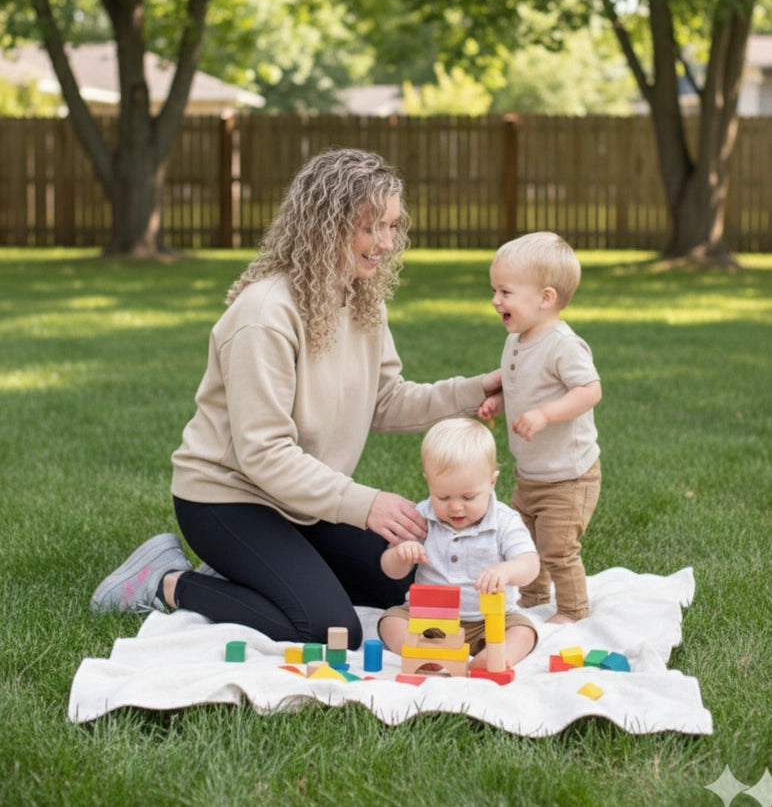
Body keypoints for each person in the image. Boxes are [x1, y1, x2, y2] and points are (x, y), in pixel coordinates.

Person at [90, 148, 503, 649]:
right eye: (372, 227)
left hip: (299, 502)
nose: (387, 243)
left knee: (406, 580)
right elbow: (263, 454)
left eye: (393, 227)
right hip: (228, 498)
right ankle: (168, 581)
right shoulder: (264, 315)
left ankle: (255, 571)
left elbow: (386, 400)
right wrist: (363, 504)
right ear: (325, 225)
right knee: (329, 629)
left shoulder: (361, 299)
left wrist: (474, 389)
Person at [477, 231, 602, 625]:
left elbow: (590, 390)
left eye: (506, 292)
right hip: (530, 473)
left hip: (568, 476)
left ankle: (572, 610)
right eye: (495, 290)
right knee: (525, 543)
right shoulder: (517, 340)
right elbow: (521, 389)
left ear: (545, 298)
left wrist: (545, 415)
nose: (496, 300)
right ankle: (533, 598)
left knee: (558, 549)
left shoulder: (563, 344)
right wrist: (497, 402)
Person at [378, 418, 539, 671]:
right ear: (428, 481)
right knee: (390, 622)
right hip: (430, 620)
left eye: (468, 497)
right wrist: (400, 555)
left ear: (492, 482)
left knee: (524, 630)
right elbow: (390, 569)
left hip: (490, 621)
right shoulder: (422, 516)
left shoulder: (504, 521)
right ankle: (427, 653)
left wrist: (506, 571)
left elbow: (530, 565)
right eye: (443, 496)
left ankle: (497, 656)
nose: (455, 507)